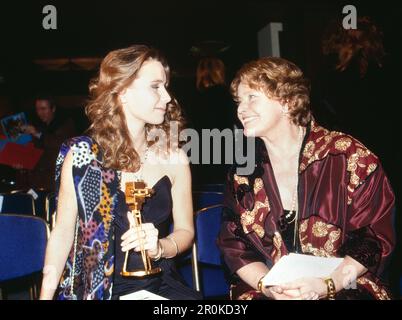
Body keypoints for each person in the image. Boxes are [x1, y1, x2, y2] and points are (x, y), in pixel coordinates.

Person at [217, 57, 395, 300]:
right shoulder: (242, 173)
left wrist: (326, 285)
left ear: (287, 101)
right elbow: (233, 245)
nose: (241, 109)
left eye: (252, 98)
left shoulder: (349, 157)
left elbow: (373, 240)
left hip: (344, 285)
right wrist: (267, 287)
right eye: (239, 101)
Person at [39, 45, 201, 300]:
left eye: (166, 86)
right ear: (123, 91)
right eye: (155, 86)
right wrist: (45, 297)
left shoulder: (175, 157)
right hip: (97, 289)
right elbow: (62, 234)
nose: (168, 97)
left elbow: (186, 232)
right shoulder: (83, 156)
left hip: (161, 287)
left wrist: (160, 247)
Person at [22, 96, 76, 191]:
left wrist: (37, 133)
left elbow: (60, 144)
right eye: (37, 109)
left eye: (43, 109)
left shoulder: (66, 124)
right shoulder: (40, 127)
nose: (40, 113)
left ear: (53, 108)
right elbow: (33, 153)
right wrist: (21, 163)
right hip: (38, 182)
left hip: (57, 181)